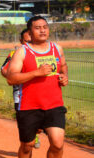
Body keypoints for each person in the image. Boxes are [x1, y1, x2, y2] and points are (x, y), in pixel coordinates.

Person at [7, 16, 68, 158]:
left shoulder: (57, 49)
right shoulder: (22, 51)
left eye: (45, 27)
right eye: (37, 28)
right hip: (29, 107)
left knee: (58, 144)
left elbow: (63, 66)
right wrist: (36, 73)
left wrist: (64, 76)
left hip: (54, 105)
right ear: (29, 31)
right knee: (27, 146)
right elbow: (11, 78)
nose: (42, 30)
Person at [1, 29, 41, 149]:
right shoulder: (15, 54)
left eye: (31, 40)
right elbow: (3, 70)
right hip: (21, 95)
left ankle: (36, 133)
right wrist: (15, 76)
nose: (29, 42)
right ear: (20, 41)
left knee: (39, 125)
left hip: (39, 94)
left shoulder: (42, 53)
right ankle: (29, 140)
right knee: (27, 127)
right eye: (26, 41)